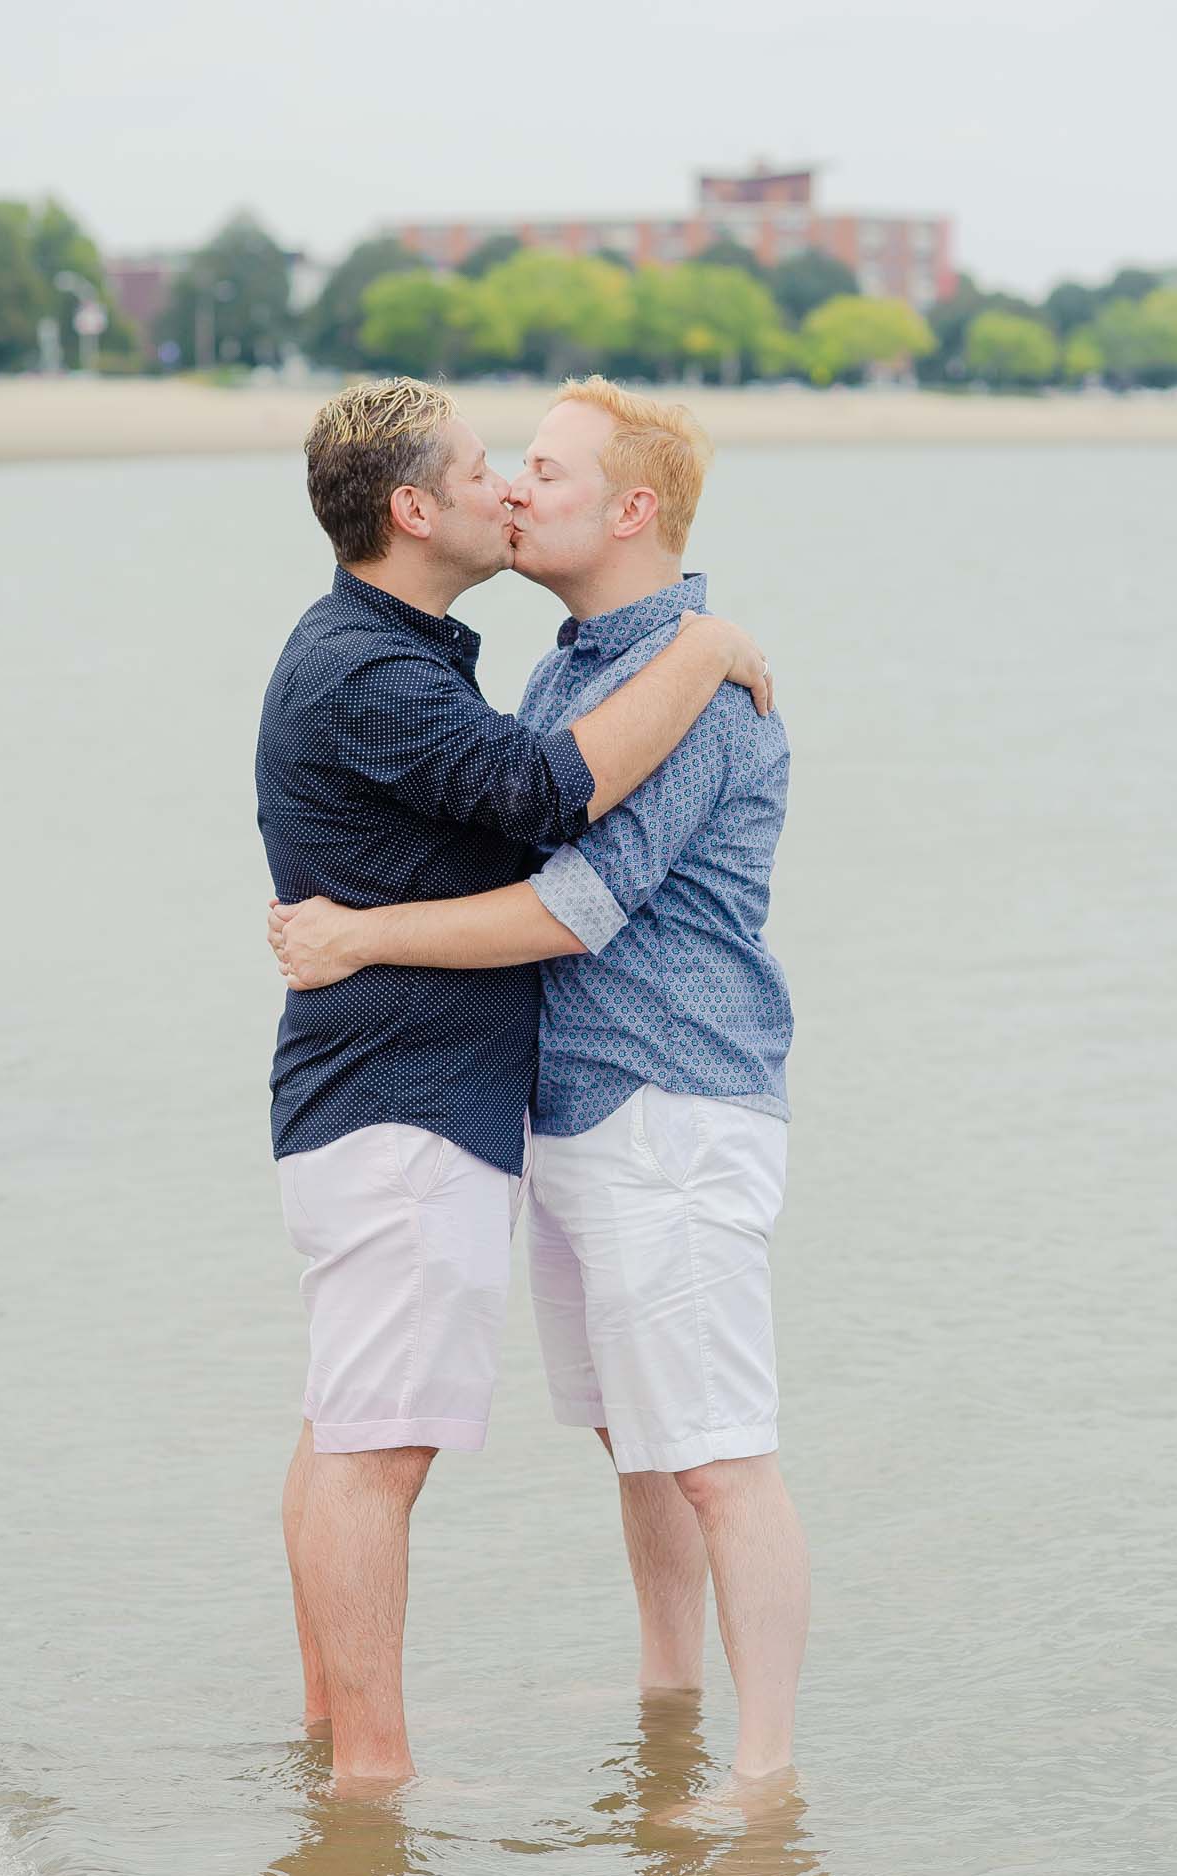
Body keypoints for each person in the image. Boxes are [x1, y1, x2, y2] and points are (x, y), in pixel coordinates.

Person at [270, 378, 809, 1795]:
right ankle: (657, 1703)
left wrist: (360, 932)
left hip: (670, 1094)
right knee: (636, 1443)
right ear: (414, 509)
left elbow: (576, 898)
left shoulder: (684, 684)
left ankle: (759, 1783)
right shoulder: (555, 672)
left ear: (630, 510)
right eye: (494, 466)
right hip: (555, 1109)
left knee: (714, 1451)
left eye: (545, 468)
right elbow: (531, 794)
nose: (514, 487)